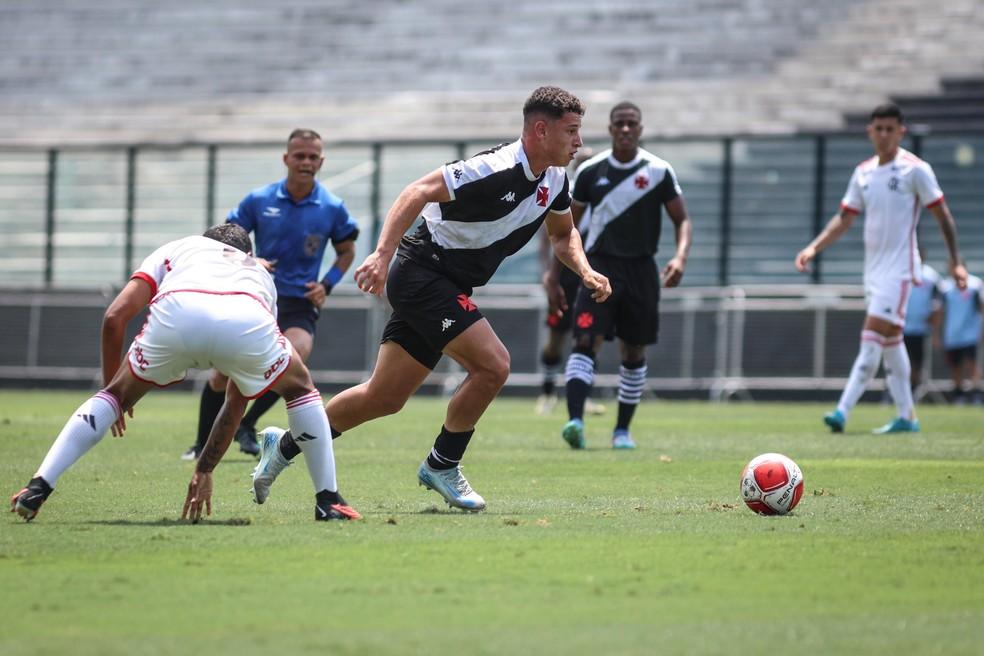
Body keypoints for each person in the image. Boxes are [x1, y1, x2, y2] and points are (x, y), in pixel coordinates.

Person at [248, 86, 611, 512]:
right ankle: (443, 463)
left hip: (447, 285)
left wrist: (585, 271)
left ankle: (284, 445)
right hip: (422, 273)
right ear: (540, 130)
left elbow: (563, 233)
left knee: (383, 397)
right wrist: (381, 256)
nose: (579, 142)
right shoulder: (492, 168)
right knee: (493, 365)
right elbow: (415, 192)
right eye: (571, 131)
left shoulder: (555, 180)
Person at [10, 224, 359, 523]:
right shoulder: (259, 272)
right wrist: (205, 469)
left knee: (112, 398)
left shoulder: (178, 248)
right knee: (300, 389)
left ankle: (38, 486)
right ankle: (328, 500)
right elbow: (237, 399)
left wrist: (113, 391)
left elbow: (115, 317)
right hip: (245, 318)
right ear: (247, 252)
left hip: (179, 313)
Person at [181, 128, 359, 460]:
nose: (306, 162)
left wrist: (327, 284)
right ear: (286, 159)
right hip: (258, 297)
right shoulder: (258, 200)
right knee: (222, 374)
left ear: (321, 161)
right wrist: (250, 260)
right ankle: (202, 443)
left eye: (312, 157)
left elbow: (347, 251)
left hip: (299, 302)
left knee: (295, 357)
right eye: (299, 156)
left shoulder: (332, 207)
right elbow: (224, 240)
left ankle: (247, 424)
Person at [795, 103, 968, 434]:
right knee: (890, 343)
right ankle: (908, 417)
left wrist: (955, 262)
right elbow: (845, 218)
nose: (885, 135)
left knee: (871, 337)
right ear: (870, 132)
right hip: (872, 272)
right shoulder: (863, 172)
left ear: (901, 132)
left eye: (891, 129)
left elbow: (942, 214)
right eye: (879, 129)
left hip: (900, 271)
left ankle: (842, 411)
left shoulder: (915, 170)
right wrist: (814, 247)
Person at [555, 101, 693, 450]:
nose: (626, 129)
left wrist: (679, 257)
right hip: (600, 266)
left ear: (640, 128)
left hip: (642, 269)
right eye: (620, 123)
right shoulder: (591, 172)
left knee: (634, 350)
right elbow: (565, 226)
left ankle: (622, 432)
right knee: (585, 341)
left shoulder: (659, 171)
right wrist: (555, 273)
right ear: (611, 129)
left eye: (632, 123)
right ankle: (575, 422)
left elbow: (682, 219)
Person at [535, 146, 605, 417]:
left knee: (590, 335)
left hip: (591, 272)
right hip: (565, 274)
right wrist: (548, 272)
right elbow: (549, 236)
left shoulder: (602, 195)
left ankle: (581, 395)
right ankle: (548, 393)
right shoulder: (565, 192)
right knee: (557, 334)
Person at [936, 268, 983, 404]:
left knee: (971, 365)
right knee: (955, 367)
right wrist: (937, 334)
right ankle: (958, 395)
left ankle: (975, 393)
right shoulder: (946, 288)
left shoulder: (975, 285)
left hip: (970, 334)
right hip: (952, 335)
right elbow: (940, 312)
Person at [902, 252, 942, 395]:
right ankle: (897, 390)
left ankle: (914, 390)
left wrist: (934, 327)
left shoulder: (931, 277)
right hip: (900, 327)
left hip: (920, 328)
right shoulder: (901, 272)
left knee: (917, 362)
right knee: (900, 361)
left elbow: (937, 303)